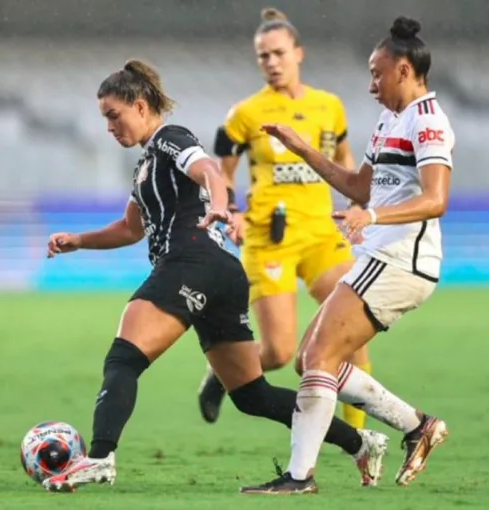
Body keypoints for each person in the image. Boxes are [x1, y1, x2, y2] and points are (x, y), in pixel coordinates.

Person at [41, 59, 388, 493]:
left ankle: (100, 457)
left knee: (123, 359)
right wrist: (78, 239)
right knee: (252, 395)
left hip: (192, 262)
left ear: (141, 105)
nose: (109, 126)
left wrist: (221, 203)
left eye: (114, 115)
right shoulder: (145, 165)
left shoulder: (171, 138)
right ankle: (361, 442)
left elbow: (207, 170)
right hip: (221, 273)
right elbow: (131, 228)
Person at [240, 17, 452, 495]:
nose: (371, 84)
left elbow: (437, 198)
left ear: (403, 69)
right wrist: (302, 150)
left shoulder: (429, 122)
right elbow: (359, 186)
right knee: (309, 361)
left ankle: (300, 477)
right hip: (381, 257)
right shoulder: (388, 121)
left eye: (377, 73)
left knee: (317, 355)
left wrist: (371, 217)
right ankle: (418, 426)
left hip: (402, 261)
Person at [198, 7, 371, 430]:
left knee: (354, 325)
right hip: (268, 238)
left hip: (320, 234)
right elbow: (220, 173)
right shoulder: (244, 114)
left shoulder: (329, 107)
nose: (271, 63)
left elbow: (346, 163)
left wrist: (356, 204)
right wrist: (231, 212)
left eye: (278, 53)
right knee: (277, 353)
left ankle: (360, 441)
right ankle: (223, 373)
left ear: (299, 53)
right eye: (263, 56)